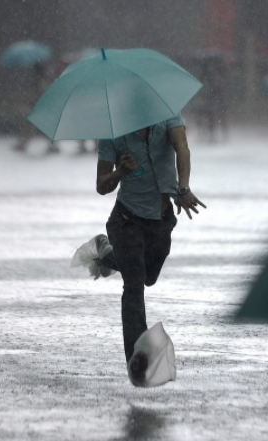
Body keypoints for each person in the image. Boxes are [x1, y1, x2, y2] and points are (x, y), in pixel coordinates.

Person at [74, 115, 206, 371]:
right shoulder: (113, 133)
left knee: (149, 277)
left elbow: (182, 147)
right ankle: (139, 358)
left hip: (161, 220)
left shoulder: (167, 116)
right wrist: (119, 172)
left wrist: (183, 187)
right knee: (134, 286)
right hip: (126, 222)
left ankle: (107, 256)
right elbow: (102, 186)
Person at [13, 62, 60, 154]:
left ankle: (23, 143)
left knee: (31, 126)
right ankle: (53, 145)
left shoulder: (41, 80)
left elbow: (40, 93)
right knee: (41, 126)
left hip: (41, 107)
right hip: (44, 107)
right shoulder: (45, 79)